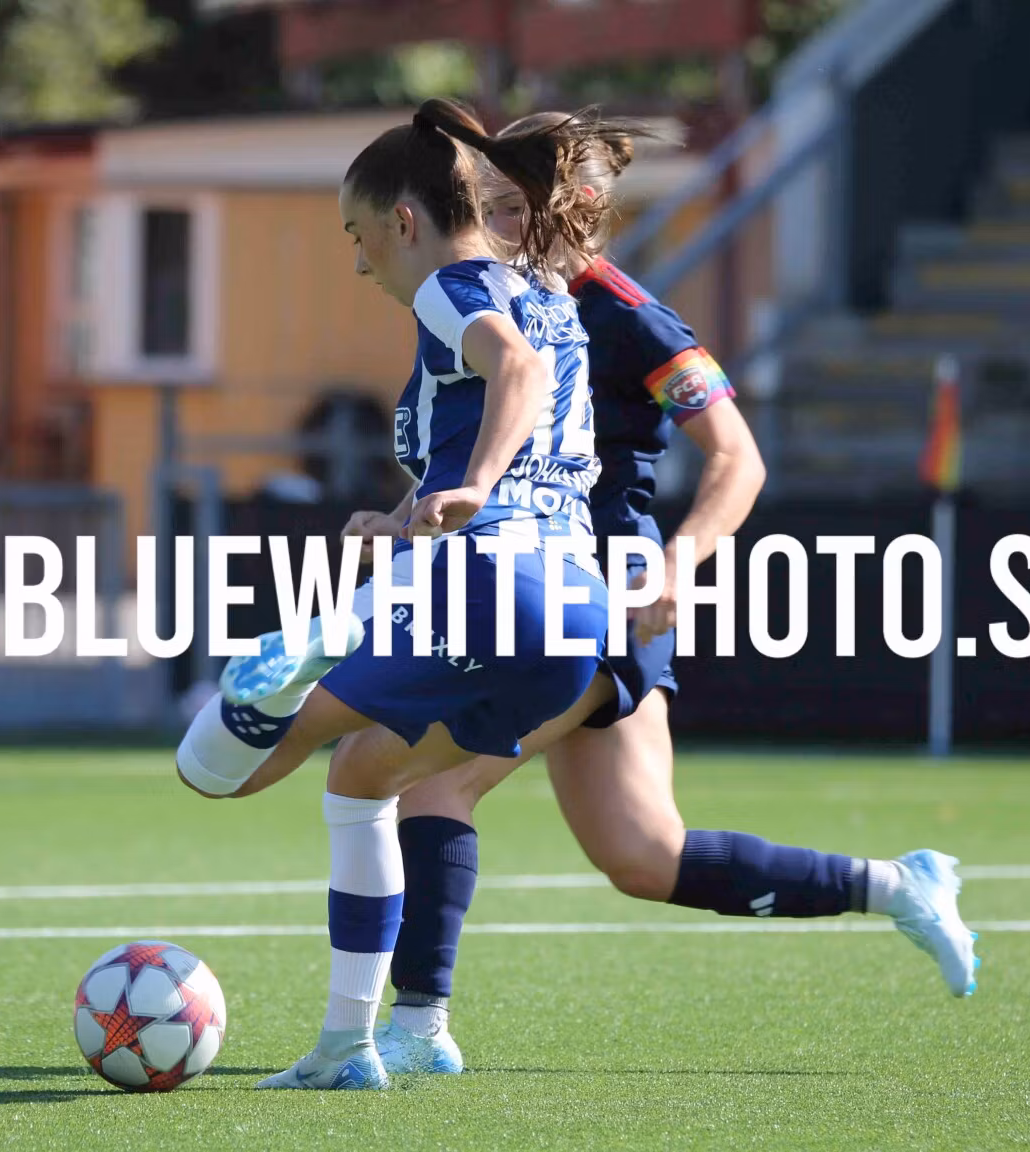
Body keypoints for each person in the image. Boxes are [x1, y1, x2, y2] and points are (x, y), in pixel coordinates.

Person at [346, 113, 980, 1078]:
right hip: (524, 589)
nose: (492, 223)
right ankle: (897, 885)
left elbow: (738, 457)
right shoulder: (479, 299)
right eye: (487, 205)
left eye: (511, 207)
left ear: (576, 211)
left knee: (430, 774)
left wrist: (679, 563)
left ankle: (416, 1026)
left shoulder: (625, 313)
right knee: (645, 856)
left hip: (598, 591)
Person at [171, 98, 644, 1091]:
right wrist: (411, 511)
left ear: (402, 221)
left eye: (355, 235)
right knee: (361, 777)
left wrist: (469, 489)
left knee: (219, 774)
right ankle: (368, 1042)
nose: (357, 263)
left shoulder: (446, 287)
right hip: (573, 614)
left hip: (486, 583)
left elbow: (507, 376)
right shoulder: (549, 291)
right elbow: (503, 409)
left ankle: (293, 658)